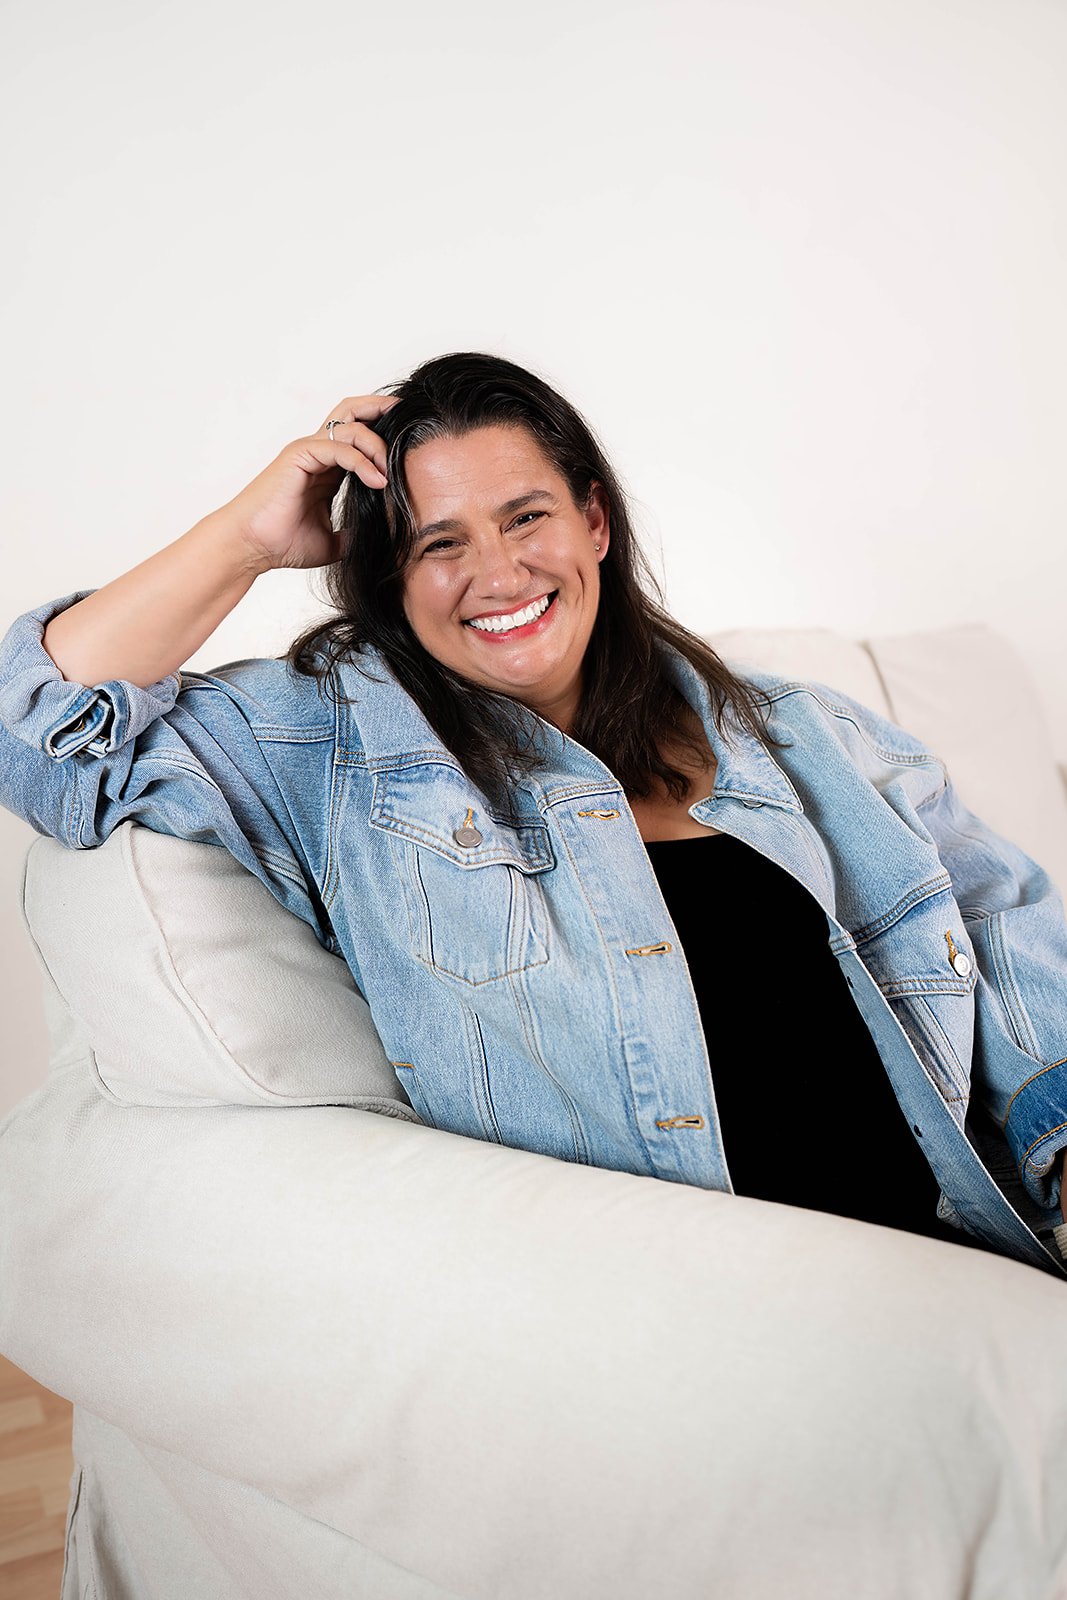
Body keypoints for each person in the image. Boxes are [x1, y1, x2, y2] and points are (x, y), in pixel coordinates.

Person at [2, 351, 1066, 1278]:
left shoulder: (809, 734)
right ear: (389, 576)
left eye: (525, 518)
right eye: (439, 543)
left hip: (957, 1266)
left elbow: (1000, 930)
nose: (499, 573)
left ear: (592, 521)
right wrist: (244, 538)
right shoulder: (326, 750)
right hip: (671, 1320)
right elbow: (32, 733)